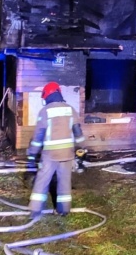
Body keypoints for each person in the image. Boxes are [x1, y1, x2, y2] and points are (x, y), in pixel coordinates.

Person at [27, 82, 84, 217]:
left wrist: (32, 155)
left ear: (47, 95)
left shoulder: (45, 111)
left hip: (50, 155)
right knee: (64, 182)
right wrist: (82, 150)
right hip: (67, 154)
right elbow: (78, 133)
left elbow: (38, 137)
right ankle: (63, 210)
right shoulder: (70, 109)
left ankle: (35, 210)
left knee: (42, 182)